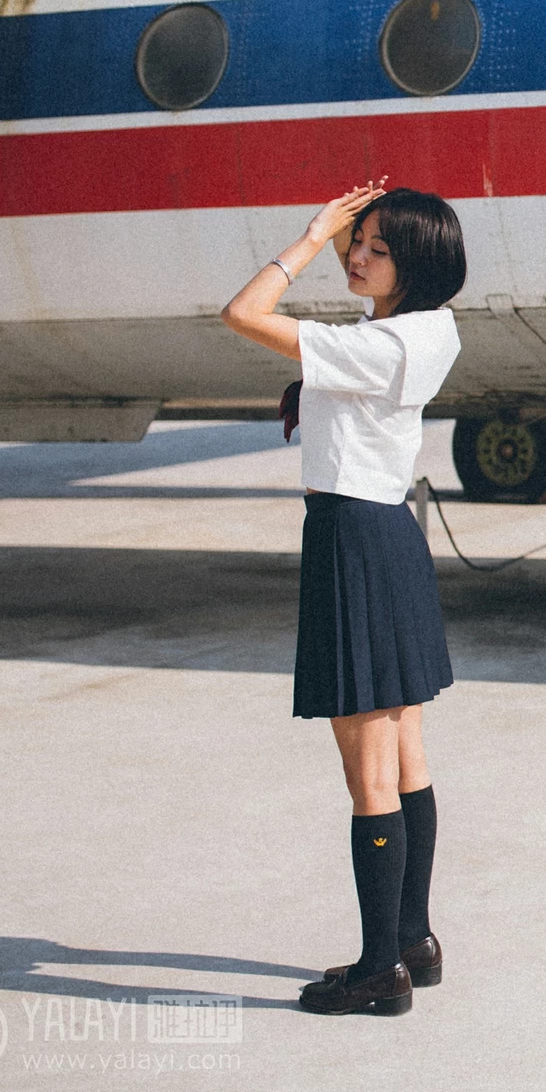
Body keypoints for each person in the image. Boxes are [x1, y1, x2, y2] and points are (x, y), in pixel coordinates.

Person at [221, 180, 467, 1017]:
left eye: (375, 249)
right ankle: (413, 942)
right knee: (406, 755)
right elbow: (373, 291)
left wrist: (309, 235)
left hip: (351, 540)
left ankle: (377, 972)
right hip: (388, 534)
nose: (355, 257)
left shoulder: (378, 346)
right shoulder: (424, 329)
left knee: (368, 774)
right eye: (355, 243)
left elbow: (244, 313)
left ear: (415, 265)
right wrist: (354, 232)